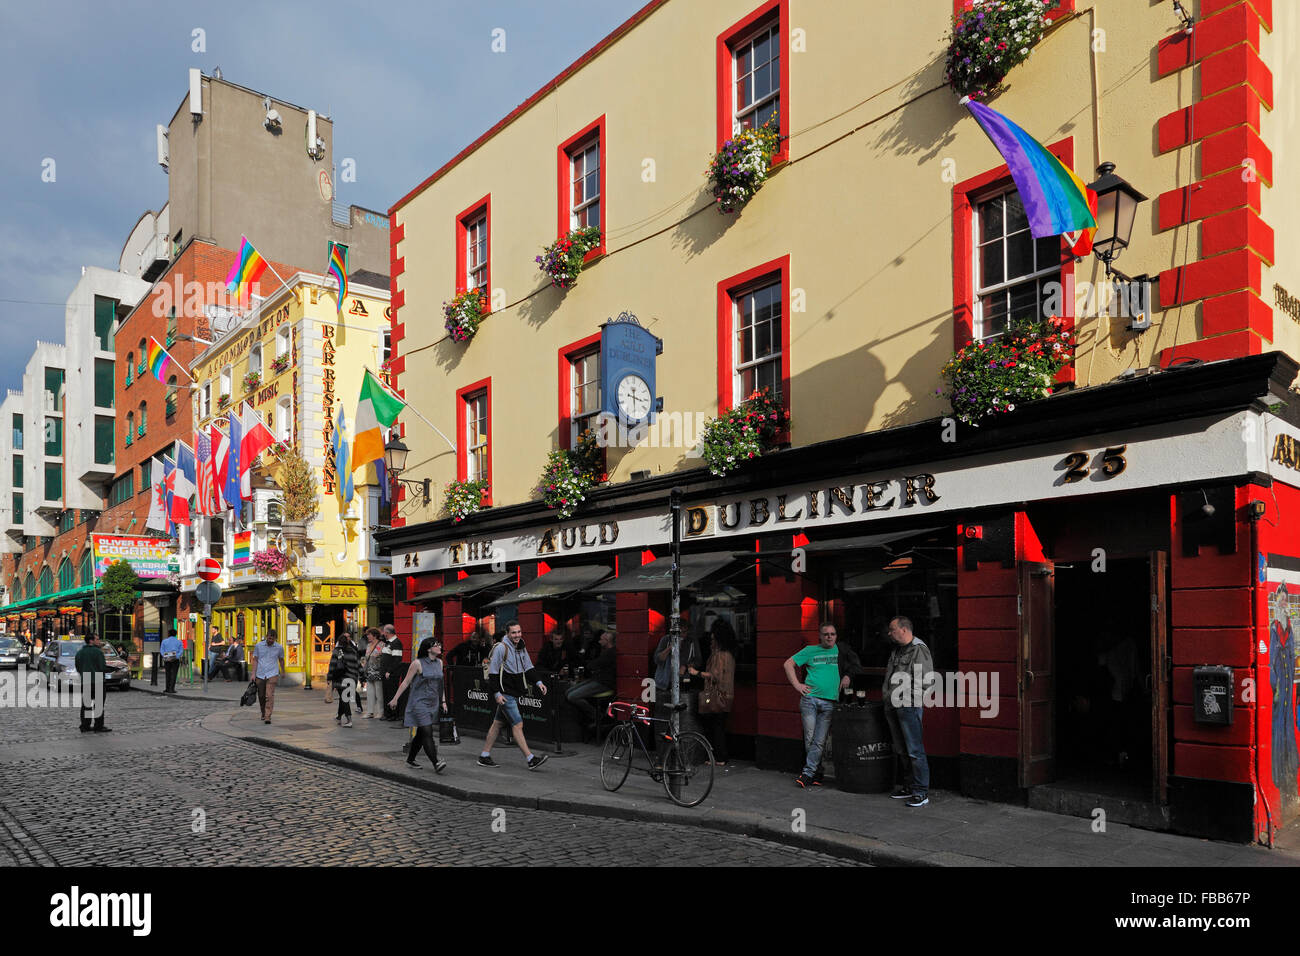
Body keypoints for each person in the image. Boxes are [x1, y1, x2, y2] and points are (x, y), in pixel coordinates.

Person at [784, 623, 849, 789]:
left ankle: (808, 773)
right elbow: (788, 664)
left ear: (836, 636)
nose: (829, 637)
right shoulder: (810, 650)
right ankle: (817, 773)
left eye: (833, 634)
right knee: (810, 739)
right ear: (820, 636)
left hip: (829, 702)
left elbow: (852, 665)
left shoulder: (840, 651)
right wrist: (797, 685)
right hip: (809, 700)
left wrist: (848, 676)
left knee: (819, 741)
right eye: (826, 634)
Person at [478, 622, 549, 770]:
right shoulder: (500, 648)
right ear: (507, 634)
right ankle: (530, 759)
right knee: (517, 724)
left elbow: (528, 667)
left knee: (497, 724)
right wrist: (497, 693)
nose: (517, 635)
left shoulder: (521, 646)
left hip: (514, 691)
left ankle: (484, 755)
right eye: (513, 633)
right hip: (505, 693)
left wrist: (539, 682)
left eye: (519, 632)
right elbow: (493, 672)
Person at [883, 616, 933, 808]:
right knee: (902, 749)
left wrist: (908, 700)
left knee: (914, 750)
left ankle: (921, 792)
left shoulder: (918, 649)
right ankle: (909, 787)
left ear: (903, 630)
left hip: (907, 705)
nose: (889, 633)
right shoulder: (897, 649)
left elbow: (926, 680)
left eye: (892, 629)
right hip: (893, 705)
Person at [391, 637, 448, 773]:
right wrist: (395, 699)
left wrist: (443, 701)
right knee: (427, 732)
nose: (439, 646)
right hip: (419, 703)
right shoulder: (417, 663)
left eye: (439, 644)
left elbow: (440, 684)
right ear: (428, 649)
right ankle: (436, 762)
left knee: (422, 733)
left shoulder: (439, 663)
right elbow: (405, 682)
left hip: (433, 703)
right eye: (436, 645)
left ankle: (411, 759)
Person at [691, 619, 736, 766]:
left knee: (714, 727)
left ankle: (718, 757)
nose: (710, 641)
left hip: (717, 696)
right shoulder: (729, 654)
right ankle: (720, 757)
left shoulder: (719, 656)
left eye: (712, 639)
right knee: (719, 726)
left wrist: (695, 672)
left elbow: (714, 676)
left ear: (718, 639)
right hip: (727, 695)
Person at [566, 631, 616, 724]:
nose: (599, 641)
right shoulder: (606, 651)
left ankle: (597, 716)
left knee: (572, 696)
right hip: (597, 679)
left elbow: (592, 665)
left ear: (607, 641)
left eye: (601, 640)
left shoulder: (610, 653)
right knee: (568, 692)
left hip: (604, 683)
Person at [74, 631, 111, 733]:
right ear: (91, 641)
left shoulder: (80, 653)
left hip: (86, 679)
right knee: (98, 705)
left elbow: (78, 667)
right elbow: (102, 667)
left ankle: (85, 726)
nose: (99, 641)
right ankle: (98, 726)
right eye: (97, 639)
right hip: (98, 679)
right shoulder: (98, 652)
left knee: (86, 704)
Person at [252, 629, 286, 724]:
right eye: (269, 638)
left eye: (272, 638)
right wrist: (253, 673)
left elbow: (281, 660)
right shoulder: (259, 646)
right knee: (261, 695)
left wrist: (283, 671)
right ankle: (263, 712)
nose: (270, 640)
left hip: (272, 673)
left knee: (269, 695)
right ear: (266, 636)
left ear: (275, 638)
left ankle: (268, 716)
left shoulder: (279, 647)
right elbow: (255, 659)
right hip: (260, 673)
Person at [380, 624, 405, 721]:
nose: (383, 633)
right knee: (386, 694)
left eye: (384, 632)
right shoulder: (388, 642)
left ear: (387, 632)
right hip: (385, 673)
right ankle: (387, 714)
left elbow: (397, 660)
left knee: (392, 694)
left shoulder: (396, 643)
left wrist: (389, 671)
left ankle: (393, 714)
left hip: (391, 674)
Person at [362, 628, 385, 718]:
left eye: (369, 634)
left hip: (378, 671)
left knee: (379, 694)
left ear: (375, 635)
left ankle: (380, 712)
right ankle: (370, 712)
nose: (368, 636)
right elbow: (366, 657)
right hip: (369, 671)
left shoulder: (382, 645)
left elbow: (383, 658)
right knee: (370, 693)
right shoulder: (368, 645)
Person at [160, 628, 184, 694]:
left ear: (168, 634)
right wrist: (176, 656)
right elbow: (181, 651)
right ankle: (171, 689)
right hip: (175, 659)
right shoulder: (179, 642)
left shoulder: (164, 641)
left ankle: (167, 688)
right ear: (176, 634)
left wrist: (165, 656)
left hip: (167, 659)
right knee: (174, 674)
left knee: (167, 674)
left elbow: (162, 650)